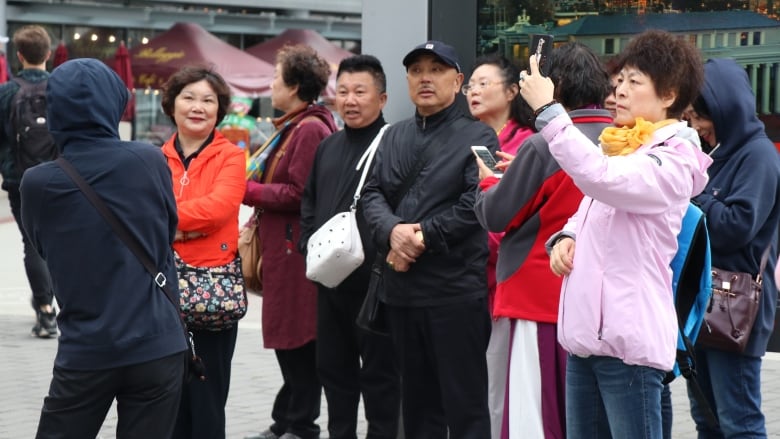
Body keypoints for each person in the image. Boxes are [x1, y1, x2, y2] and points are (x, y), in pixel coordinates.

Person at [518, 29, 712, 438]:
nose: (619, 89)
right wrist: (566, 239)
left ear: (669, 95)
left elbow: (603, 180)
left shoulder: (674, 159)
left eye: (634, 81)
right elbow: (594, 211)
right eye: (620, 79)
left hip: (628, 347)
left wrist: (549, 112)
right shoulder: (627, 149)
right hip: (587, 341)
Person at [20, 58, 187, 438]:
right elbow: (167, 231)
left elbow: (40, 246)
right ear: (114, 103)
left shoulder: (38, 181)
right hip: (156, 340)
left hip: (88, 345)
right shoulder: (148, 159)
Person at [474, 42, 613, 439]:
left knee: (529, 415)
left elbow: (495, 214)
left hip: (535, 300)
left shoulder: (544, 144)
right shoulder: (626, 139)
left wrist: (487, 180)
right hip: (600, 305)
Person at [361, 40, 496, 438]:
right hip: (401, 295)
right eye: (416, 70)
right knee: (417, 410)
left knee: (466, 406)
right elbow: (370, 194)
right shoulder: (392, 135)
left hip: (455, 293)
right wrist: (392, 232)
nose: (425, 78)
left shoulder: (481, 137)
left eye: (436, 70)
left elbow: (478, 204)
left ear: (457, 81)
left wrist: (419, 237)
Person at [300, 54, 401, 439]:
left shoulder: (394, 143)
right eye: (343, 92)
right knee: (334, 373)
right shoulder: (328, 146)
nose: (350, 100)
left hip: (375, 286)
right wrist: (310, 242)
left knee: (380, 378)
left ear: (383, 98)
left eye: (360, 91)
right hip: (330, 283)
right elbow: (308, 201)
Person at [683, 57, 780, 439]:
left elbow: (734, 227)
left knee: (738, 422)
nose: (697, 128)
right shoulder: (719, 153)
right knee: (707, 419)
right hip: (704, 303)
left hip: (736, 309)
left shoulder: (757, 156)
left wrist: (695, 192)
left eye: (700, 118)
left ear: (725, 109)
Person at [244, 44, 337, 439]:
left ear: (295, 86)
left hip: (294, 249)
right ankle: (286, 420)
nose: (270, 85)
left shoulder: (310, 128)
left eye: (275, 78)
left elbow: (300, 193)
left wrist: (247, 191)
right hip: (286, 248)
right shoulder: (299, 124)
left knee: (298, 342)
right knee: (290, 340)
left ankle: (300, 425)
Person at [158, 66, 246, 439]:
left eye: (208, 100)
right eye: (189, 97)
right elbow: (140, 211)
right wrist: (188, 224)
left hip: (213, 291)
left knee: (208, 397)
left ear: (219, 109)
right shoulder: (153, 158)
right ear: (172, 105)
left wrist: (168, 221)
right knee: (167, 395)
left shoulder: (231, 156)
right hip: (161, 289)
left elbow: (219, 209)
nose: (198, 107)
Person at [464, 53, 534, 439]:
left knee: (500, 387)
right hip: (467, 280)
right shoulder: (469, 140)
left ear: (511, 91)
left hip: (507, 282)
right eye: (470, 85)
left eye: (483, 83)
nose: (473, 91)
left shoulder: (527, 145)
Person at [0, 25, 57, 338]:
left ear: (19, 55)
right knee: (59, 241)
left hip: (19, 179)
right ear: (48, 54)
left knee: (31, 244)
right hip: (60, 178)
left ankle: (46, 312)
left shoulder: (6, 92)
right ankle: (69, 306)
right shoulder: (60, 89)